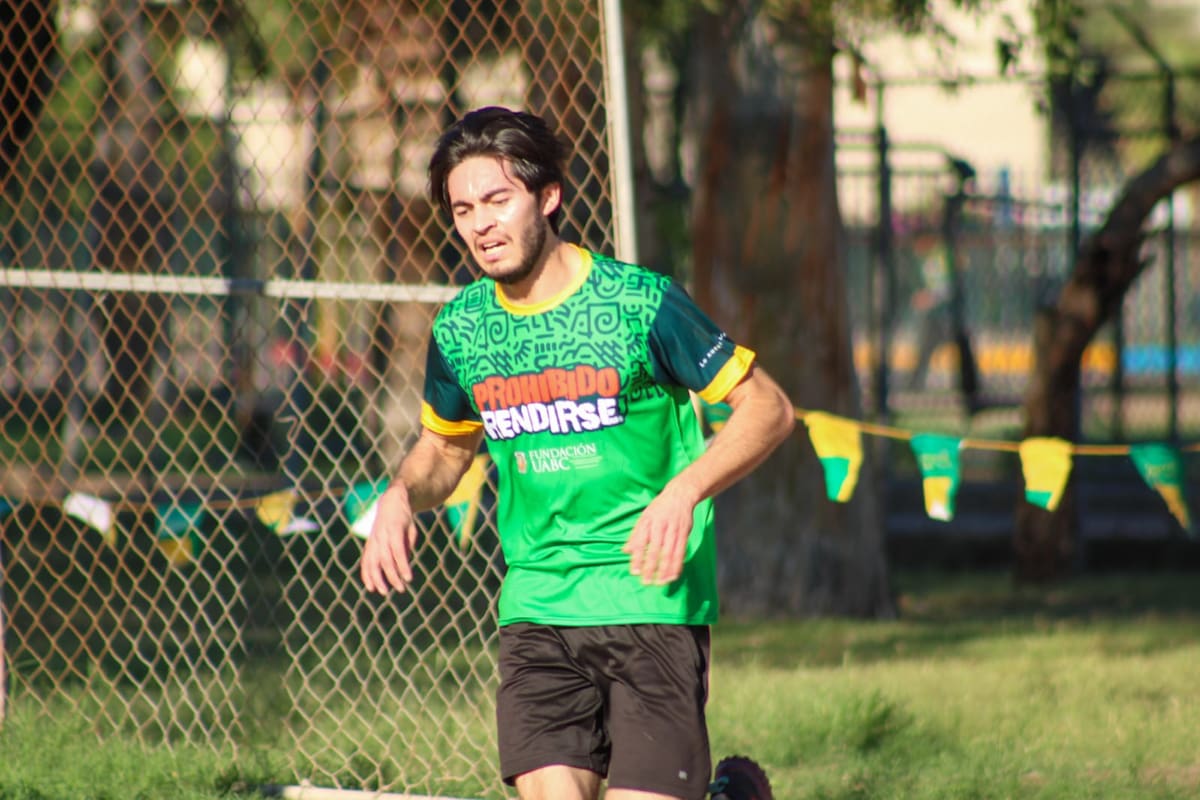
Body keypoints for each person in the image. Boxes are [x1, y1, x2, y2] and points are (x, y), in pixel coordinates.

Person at [360, 106, 795, 800]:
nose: (480, 225)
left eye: (498, 200)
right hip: (538, 606)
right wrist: (401, 494)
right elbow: (445, 447)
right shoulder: (462, 329)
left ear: (549, 196)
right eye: (463, 208)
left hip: (649, 597)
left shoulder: (639, 304)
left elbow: (769, 408)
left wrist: (684, 491)